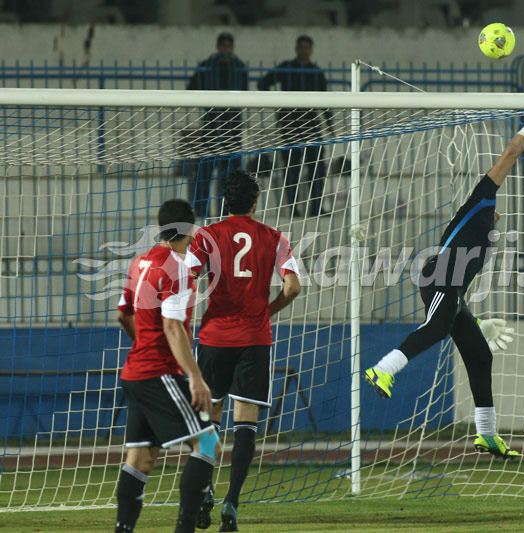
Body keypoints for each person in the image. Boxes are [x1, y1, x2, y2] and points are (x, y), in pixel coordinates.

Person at [363, 89, 524, 460]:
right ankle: (382, 370)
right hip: (439, 276)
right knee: (435, 329)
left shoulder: (484, 228)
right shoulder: (481, 198)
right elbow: (511, 154)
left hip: (450, 284)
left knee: (480, 355)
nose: (498, 214)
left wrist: (472, 318)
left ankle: (486, 434)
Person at [188, 170, 301, 531]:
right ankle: (232, 504)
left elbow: (185, 277)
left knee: (209, 420)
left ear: (224, 201)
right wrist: (266, 310)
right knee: (246, 424)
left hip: (215, 338)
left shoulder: (206, 235)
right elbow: (294, 286)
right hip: (255, 339)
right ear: (255, 202)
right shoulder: (275, 237)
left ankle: (205, 489)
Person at [115, 199, 220, 533]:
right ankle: (185, 528)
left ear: (161, 227)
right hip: (158, 371)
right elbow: (173, 327)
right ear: (190, 229)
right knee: (207, 443)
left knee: (141, 458)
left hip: (134, 372)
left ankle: (123, 529)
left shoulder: (139, 263)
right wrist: (195, 377)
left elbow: (123, 314)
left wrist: (143, 343)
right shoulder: (177, 269)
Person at [257, 35, 334, 216]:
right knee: (292, 167)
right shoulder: (286, 68)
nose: (304, 51)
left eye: (307, 47)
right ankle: (293, 210)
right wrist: (279, 103)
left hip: (311, 123)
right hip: (290, 124)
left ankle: (316, 208)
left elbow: (324, 100)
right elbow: (262, 83)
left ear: (311, 50)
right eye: (301, 47)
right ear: (296, 49)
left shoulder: (316, 72)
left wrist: (329, 123)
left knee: (316, 167)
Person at [188, 32, 249, 219]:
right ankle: (201, 210)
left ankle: (226, 210)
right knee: (206, 168)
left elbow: (244, 93)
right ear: (218, 46)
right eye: (223, 45)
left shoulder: (238, 67)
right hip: (212, 124)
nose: (226, 49)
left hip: (232, 125)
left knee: (230, 171)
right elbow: (191, 88)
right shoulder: (207, 67)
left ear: (232, 47)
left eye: (228, 45)